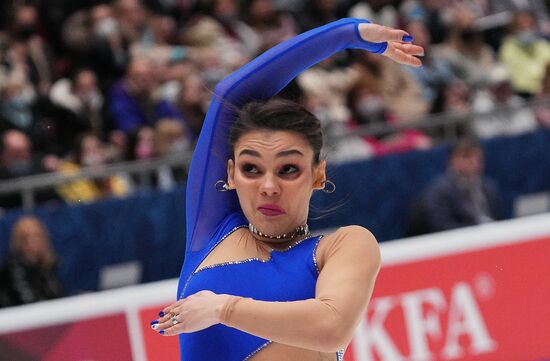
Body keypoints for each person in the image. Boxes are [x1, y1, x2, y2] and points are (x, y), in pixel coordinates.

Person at [149, 18, 423, 360]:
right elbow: (229, 96)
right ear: (231, 174)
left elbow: (331, 327)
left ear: (317, 175)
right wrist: (348, 34)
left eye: (288, 169)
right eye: (251, 169)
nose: (268, 186)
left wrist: (223, 309)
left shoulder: (343, 248)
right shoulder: (212, 232)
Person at [423, 137, 503, 232]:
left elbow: (499, 218)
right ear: (453, 160)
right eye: (466, 157)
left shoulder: (488, 186)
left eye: (476, 157)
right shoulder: (440, 191)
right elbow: (442, 226)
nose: (472, 161)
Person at [0, 215, 65, 307]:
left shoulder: (46, 266)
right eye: (26, 238)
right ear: (19, 242)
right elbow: (28, 302)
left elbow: (59, 295)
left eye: (37, 237)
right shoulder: (13, 269)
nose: (33, 242)